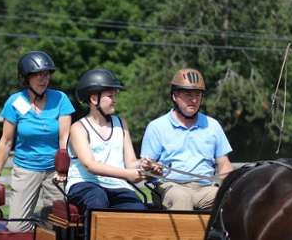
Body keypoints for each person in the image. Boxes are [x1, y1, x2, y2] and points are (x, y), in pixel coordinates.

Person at [0, 51, 75, 232]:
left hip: (55, 171)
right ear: (26, 78)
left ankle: (41, 224)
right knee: (17, 227)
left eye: (46, 74)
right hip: (25, 168)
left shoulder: (60, 99)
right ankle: (35, 221)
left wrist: (62, 168)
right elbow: (6, 141)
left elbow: (64, 138)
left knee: (59, 225)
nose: (43, 79)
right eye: (38, 75)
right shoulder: (15, 102)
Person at [139, 68, 233, 211]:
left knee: (233, 197)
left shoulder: (213, 126)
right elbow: (145, 166)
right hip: (170, 187)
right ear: (175, 96)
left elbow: (224, 164)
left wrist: (220, 185)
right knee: (182, 198)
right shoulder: (157, 127)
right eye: (188, 95)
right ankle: (188, 235)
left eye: (198, 95)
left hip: (205, 188)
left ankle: (221, 234)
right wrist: (152, 168)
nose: (194, 100)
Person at [66, 68, 147, 220]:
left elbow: (130, 163)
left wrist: (145, 166)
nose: (115, 100)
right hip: (85, 184)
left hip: (117, 186)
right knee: (97, 200)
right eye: (110, 96)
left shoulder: (121, 124)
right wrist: (128, 175)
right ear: (94, 99)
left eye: (115, 95)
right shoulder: (78, 128)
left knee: (137, 208)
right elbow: (91, 166)